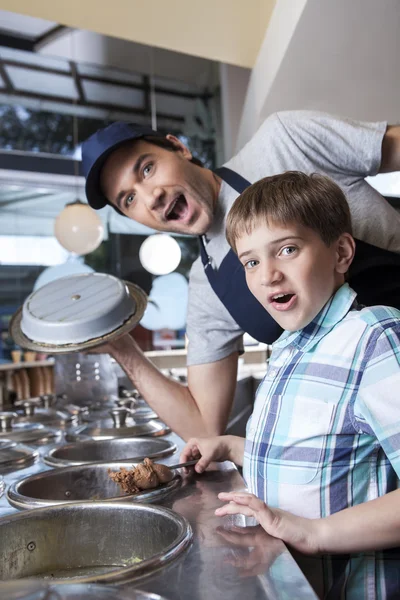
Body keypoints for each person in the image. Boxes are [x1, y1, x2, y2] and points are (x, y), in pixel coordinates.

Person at [81, 111, 400, 440]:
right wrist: (123, 350)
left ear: (178, 148)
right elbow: (203, 426)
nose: (150, 197)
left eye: (147, 168)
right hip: (363, 440)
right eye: (129, 199)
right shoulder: (207, 286)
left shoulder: (282, 141)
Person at [179, 171, 400, 554]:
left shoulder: (374, 337)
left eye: (287, 250)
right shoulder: (288, 349)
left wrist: (314, 534)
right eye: (250, 262)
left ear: (341, 253)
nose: (268, 275)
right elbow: (319, 459)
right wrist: (234, 447)